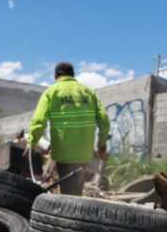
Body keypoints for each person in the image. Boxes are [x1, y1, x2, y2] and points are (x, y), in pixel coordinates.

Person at [28, 62, 110, 195]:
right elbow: (104, 119)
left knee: (68, 193)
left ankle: (68, 211)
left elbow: (38, 121)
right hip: (84, 153)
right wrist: (102, 143)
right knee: (76, 190)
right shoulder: (88, 92)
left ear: (55, 76)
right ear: (73, 75)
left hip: (63, 153)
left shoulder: (51, 92)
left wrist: (32, 142)